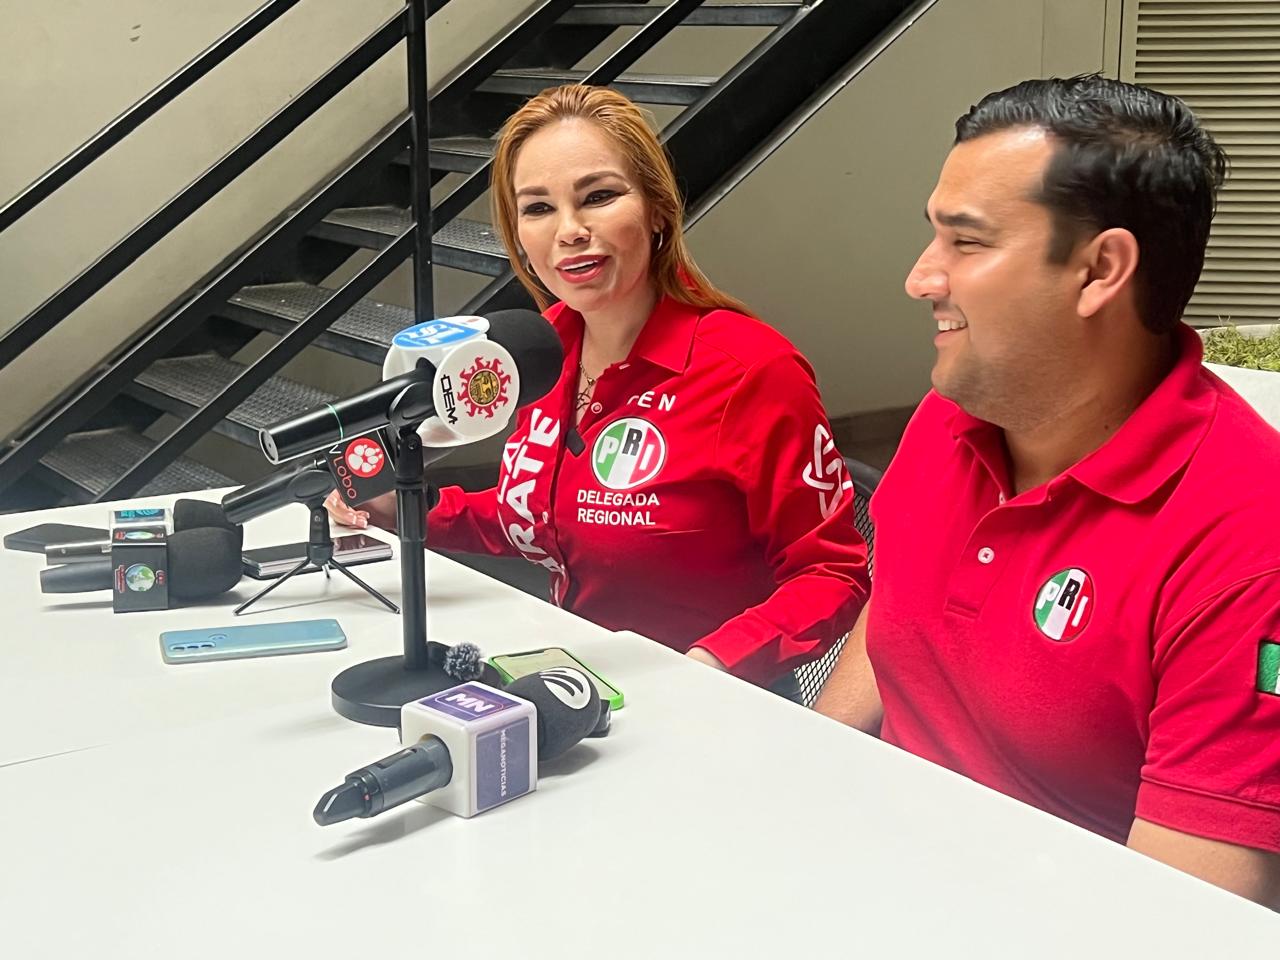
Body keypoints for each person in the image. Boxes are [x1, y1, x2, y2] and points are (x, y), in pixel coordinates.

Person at [815, 75, 1280, 906]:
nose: (922, 278)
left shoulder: (1250, 541)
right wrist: (804, 779)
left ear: (1100, 270)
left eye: (967, 242)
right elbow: (896, 608)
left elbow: (1186, 918)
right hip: (866, 867)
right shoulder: (957, 413)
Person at [328, 84, 868, 690]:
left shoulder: (752, 369)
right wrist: (408, 506)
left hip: (714, 701)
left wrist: (709, 667)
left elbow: (832, 576)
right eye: (538, 208)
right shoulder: (538, 352)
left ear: (657, 208)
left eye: (599, 197)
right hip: (580, 684)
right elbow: (541, 517)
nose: (570, 230)